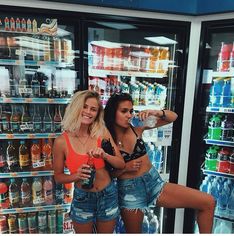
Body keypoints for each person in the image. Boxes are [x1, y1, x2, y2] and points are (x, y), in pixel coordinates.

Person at [104, 93, 215, 234]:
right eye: (124, 111)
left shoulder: (137, 126)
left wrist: (157, 112)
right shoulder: (105, 137)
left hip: (155, 183)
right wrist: (125, 168)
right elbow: (108, 175)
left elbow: (173, 117)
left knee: (208, 202)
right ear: (113, 112)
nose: (129, 115)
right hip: (130, 192)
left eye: (131, 111)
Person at [53, 90, 125, 233]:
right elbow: (58, 177)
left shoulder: (101, 132)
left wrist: (105, 156)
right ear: (76, 107)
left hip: (107, 194)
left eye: (93, 109)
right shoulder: (61, 141)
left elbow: (121, 164)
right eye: (84, 107)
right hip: (82, 199)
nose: (88, 112)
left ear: (97, 114)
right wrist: (76, 175)